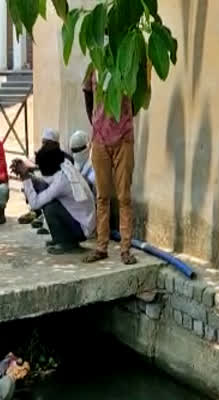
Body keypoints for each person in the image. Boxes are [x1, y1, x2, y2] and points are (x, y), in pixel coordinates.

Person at [82, 69, 137, 265]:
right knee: (102, 196)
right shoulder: (94, 65)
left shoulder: (127, 60)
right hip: (100, 140)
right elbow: (87, 92)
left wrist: (125, 118)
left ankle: (125, 249)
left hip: (124, 138)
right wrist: (96, 122)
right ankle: (101, 247)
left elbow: (137, 94)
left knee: (124, 197)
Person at [11, 142, 95, 255]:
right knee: (41, 187)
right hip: (84, 220)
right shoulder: (65, 164)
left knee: (50, 207)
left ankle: (67, 243)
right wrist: (28, 170)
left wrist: (25, 177)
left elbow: (35, 204)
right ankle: (61, 239)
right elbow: (45, 176)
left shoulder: (60, 182)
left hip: (82, 228)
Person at [18, 128, 73, 227]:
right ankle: (37, 212)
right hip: (50, 187)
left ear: (55, 144)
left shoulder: (65, 159)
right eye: (43, 143)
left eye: (47, 143)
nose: (44, 146)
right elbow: (28, 162)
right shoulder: (43, 154)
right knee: (32, 181)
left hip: (59, 195)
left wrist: (36, 169)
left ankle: (41, 215)